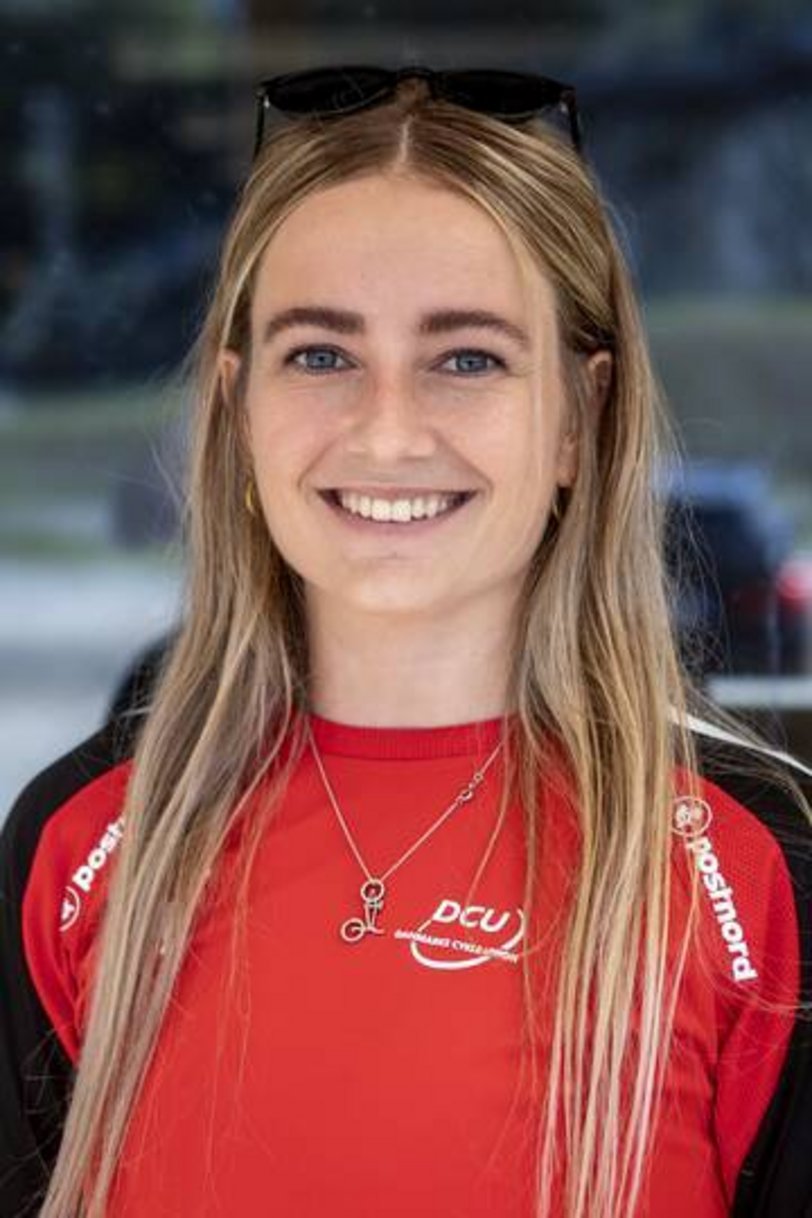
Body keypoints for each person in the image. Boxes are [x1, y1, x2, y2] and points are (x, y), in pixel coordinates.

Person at [1, 64, 810, 1218]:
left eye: (466, 358)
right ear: (237, 405)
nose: (386, 432)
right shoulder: (79, 844)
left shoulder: (752, 866)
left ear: (578, 417)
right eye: (320, 355)